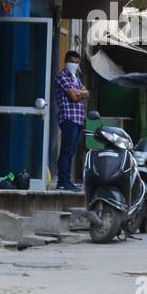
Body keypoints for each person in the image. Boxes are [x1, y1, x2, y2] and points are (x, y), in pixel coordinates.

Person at [54, 50, 90, 191]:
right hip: (68, 118)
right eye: (72, 62)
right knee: (66, 151)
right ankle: (62, 182)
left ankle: (67, 181)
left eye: (76, 62)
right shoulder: (62, 77)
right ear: (66, 61)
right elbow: (73, 97)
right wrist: (80, 93)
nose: (74, 65)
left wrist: (78, 92)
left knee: (71, 152)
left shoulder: (76, 78)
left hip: (78, 119)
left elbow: (87, 93)